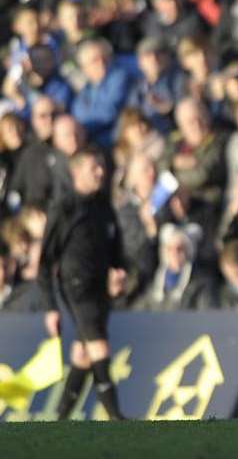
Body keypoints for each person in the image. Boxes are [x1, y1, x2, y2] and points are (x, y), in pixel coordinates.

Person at [38, 146, 126, 421]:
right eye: (93, 167)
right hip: (76, 285)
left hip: (100, 286)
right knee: (99, 346)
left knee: (83, 355)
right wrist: (50, 306)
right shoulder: (65, 208)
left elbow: (115, 246)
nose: (100, 172)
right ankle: (115, 416)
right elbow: (44, 261)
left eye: (102, 166)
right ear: (76, 172)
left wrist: (118, 270)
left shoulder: (103, 207)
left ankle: (60, 419)